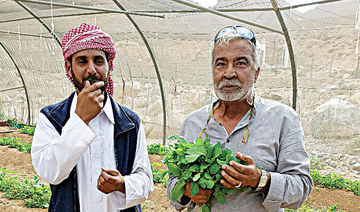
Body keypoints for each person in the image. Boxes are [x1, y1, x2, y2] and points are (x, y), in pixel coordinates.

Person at [167, 26, 313, 211]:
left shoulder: (283, 119)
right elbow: (172, 185)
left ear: (256, 73)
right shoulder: (193, 122)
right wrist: (187, 191)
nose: (229, 73)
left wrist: (261, 179)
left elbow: (301, 188)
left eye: (240, 63)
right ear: (213, 70)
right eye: (221, 63)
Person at [31, 23, 153, 212]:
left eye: (98, 61)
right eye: (82, 61)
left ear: (109, 66)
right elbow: (49, 172)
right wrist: (80, 119)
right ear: (68, 67)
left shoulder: (130, 122)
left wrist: (122, 184)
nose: (91, 70)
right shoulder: (52, 118)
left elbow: (146, 181)